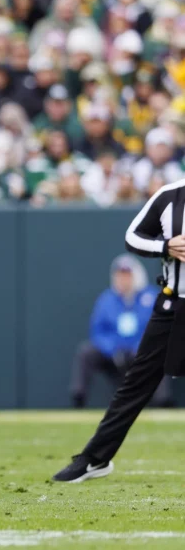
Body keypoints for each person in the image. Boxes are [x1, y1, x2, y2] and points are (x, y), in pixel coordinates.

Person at [53, 178, 185, 483]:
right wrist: (165, 245)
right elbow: (133, 237)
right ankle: (95, 458)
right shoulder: (170, 196)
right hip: (174, 305)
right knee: (136, 384)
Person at [70, 255, 157, 408]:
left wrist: (138, 348)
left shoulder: (151, 297)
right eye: (120, 276)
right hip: (113, 356)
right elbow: (97, 331)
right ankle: (78, 397)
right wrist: (113, 349)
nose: (123, 280)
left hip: (141, 355)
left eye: (127, 275)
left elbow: (155, 330)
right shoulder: (106, 300)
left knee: (158, 352)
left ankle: (162, 402)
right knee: (86, 352)